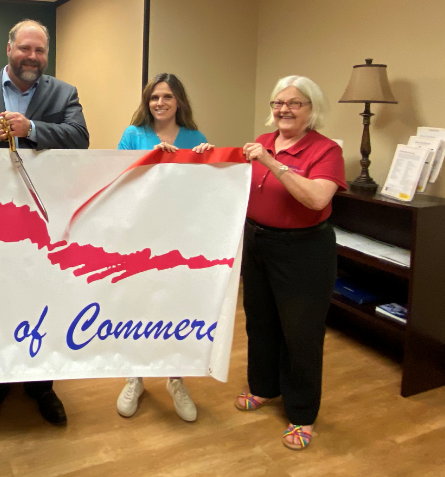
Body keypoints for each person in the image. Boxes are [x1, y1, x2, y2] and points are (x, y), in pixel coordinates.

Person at [0, 19, 89, 436]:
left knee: (41, 297)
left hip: (44, 221)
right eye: (25, 48)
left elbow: (80, 138)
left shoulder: (64, 93)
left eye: (39, 51)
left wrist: (34, 129)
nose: (32, 57)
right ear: (9, 49)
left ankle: (41, 385)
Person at [236, 75, 346, 450]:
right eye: (278, 103)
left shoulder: (326, 150)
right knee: (260, 317)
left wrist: (272, 162)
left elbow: (316, 199)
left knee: (300, 332)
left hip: (303, 250)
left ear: (312, 109)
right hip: (258, 241)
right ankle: (264, 387)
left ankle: (301, 414)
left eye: (294, 103)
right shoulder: (263, 141)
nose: (283, 109)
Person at [115, 73, 213, 423]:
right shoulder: (134, 135)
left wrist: (206, 159)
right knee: (139, 305)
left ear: (179, 102)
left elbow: (203, 193)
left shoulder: (195, 137)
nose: (160, 103)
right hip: (139, 237)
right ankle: (136, 376)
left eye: (168, 97)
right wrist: (150, 159)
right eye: (155, 97)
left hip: (179, 239)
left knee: (175, 305)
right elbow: (118, 179)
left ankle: (175, 378)